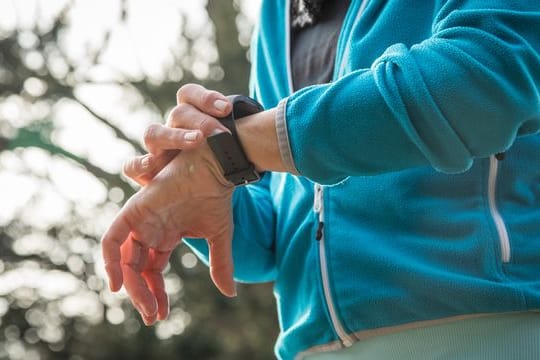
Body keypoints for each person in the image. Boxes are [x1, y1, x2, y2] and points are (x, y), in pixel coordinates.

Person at [101, 0, 540, 359]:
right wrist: (195, 181)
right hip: (310, 350)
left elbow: (486, 77)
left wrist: (238, 148)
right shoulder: (278, 11)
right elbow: (278, 233)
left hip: (486, 332)